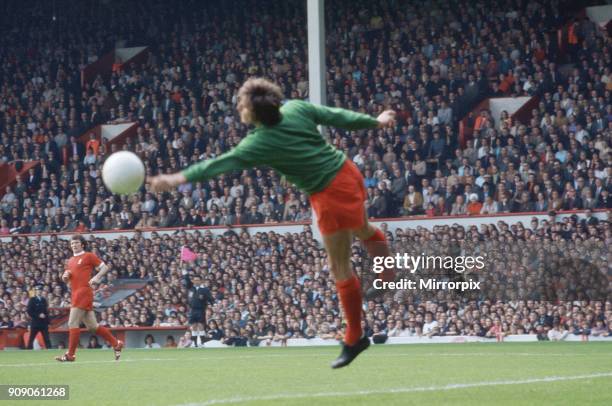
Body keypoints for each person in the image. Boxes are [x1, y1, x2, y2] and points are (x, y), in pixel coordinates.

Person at [149, 77, 397, 368]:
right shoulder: (296, 107)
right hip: (345, 170)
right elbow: (336, 115)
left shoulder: (259, 142)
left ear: (253, 112)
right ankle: (387, 275)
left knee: (339, 268)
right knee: (364, 229)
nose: (238, 105)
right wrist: (375, 121)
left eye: (241, 102)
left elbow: (218, 164)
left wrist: (175, 179)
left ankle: (355, 338)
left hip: (329, 193)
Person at [55, 235, 124, 362]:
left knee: (72, 323)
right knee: (92, 326)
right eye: (72, 244)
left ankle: (71, 354)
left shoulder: (88, 256)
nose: (74, 245)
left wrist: (97, 277)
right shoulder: (70, 260)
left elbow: (105, 268)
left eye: (76, 243)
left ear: (82, 244)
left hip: (83, 292)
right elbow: (68, 279)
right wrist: (64, 278)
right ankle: (116, 343)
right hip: (75, 292)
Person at [26, 285, 52, 349]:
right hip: (35, 322)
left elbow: (46, 312)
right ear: (36, 291)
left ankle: (50, 350)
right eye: (38, 290)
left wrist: (48, 322)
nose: (39, 292)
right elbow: (29, 311)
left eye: (40, 290)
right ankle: (29, 350)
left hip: (43, 323)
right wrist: (38, 315)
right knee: (31, 338)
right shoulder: (32, 299)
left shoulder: (43, 300)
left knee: (47, 338)